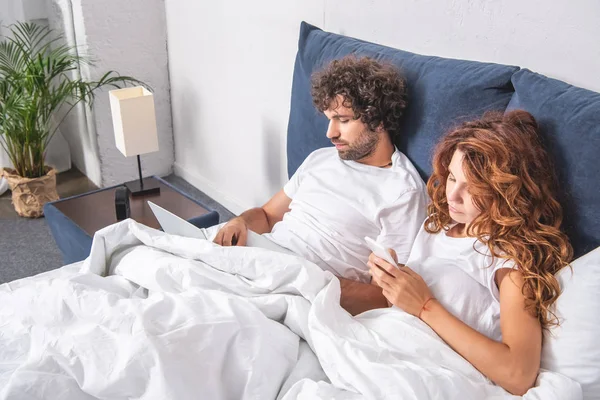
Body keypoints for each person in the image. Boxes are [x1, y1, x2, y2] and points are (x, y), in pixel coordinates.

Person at [369, 110, 573, 395]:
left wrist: (425, 306)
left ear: (506, 192)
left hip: (428, 375)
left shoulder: (508, 263)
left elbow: (518, 374)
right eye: (452, 178)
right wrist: (391, 279)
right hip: (381, 345)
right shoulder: (436, 224)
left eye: (472, 188)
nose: (452, 196)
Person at [214, 56, 428, 314]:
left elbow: (383, 297)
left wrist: (309, 280)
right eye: (329, 119)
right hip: (260, 259)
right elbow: (267, 216)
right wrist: (240, 223)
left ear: (378, 119)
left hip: (303, 287)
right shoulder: (321, 158)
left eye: (344, 120)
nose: (330, 133)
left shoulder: (402, 192)